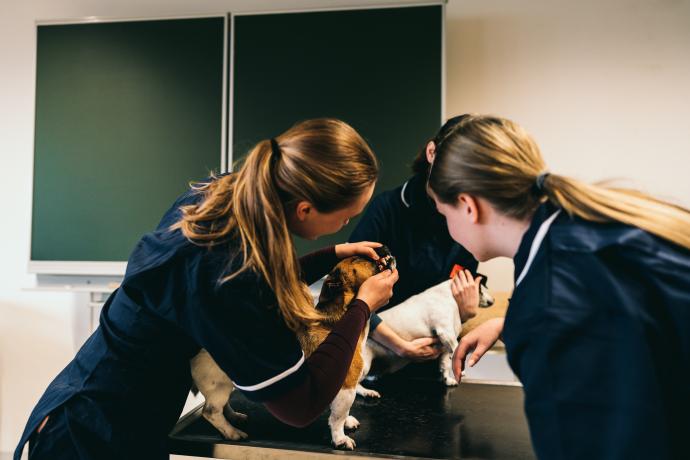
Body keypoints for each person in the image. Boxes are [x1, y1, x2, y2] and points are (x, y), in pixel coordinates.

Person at [15, 118, 399, 460]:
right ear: (304, 209)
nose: (348, 223)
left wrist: (331, 254)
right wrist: (362, 306)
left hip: (102, 408)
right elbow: (300, 404)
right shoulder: (229, 267)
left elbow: (235, 286)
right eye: (346, 217)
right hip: (92, 434)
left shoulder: (224, 195)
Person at [427, 114, 690, 459]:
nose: (447, 227)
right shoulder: (588, 226)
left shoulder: (550, 305)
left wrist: (531, 323)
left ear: (467, 206)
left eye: (443, 215)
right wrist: (510, 323)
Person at [349, 116, 482, 361]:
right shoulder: (386, 209)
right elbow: (349, 292)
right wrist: (399, 346)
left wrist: (464, 312)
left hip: (434, 358)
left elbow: (455, 299)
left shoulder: (468, 219)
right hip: (372, 354)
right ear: (432, 152)